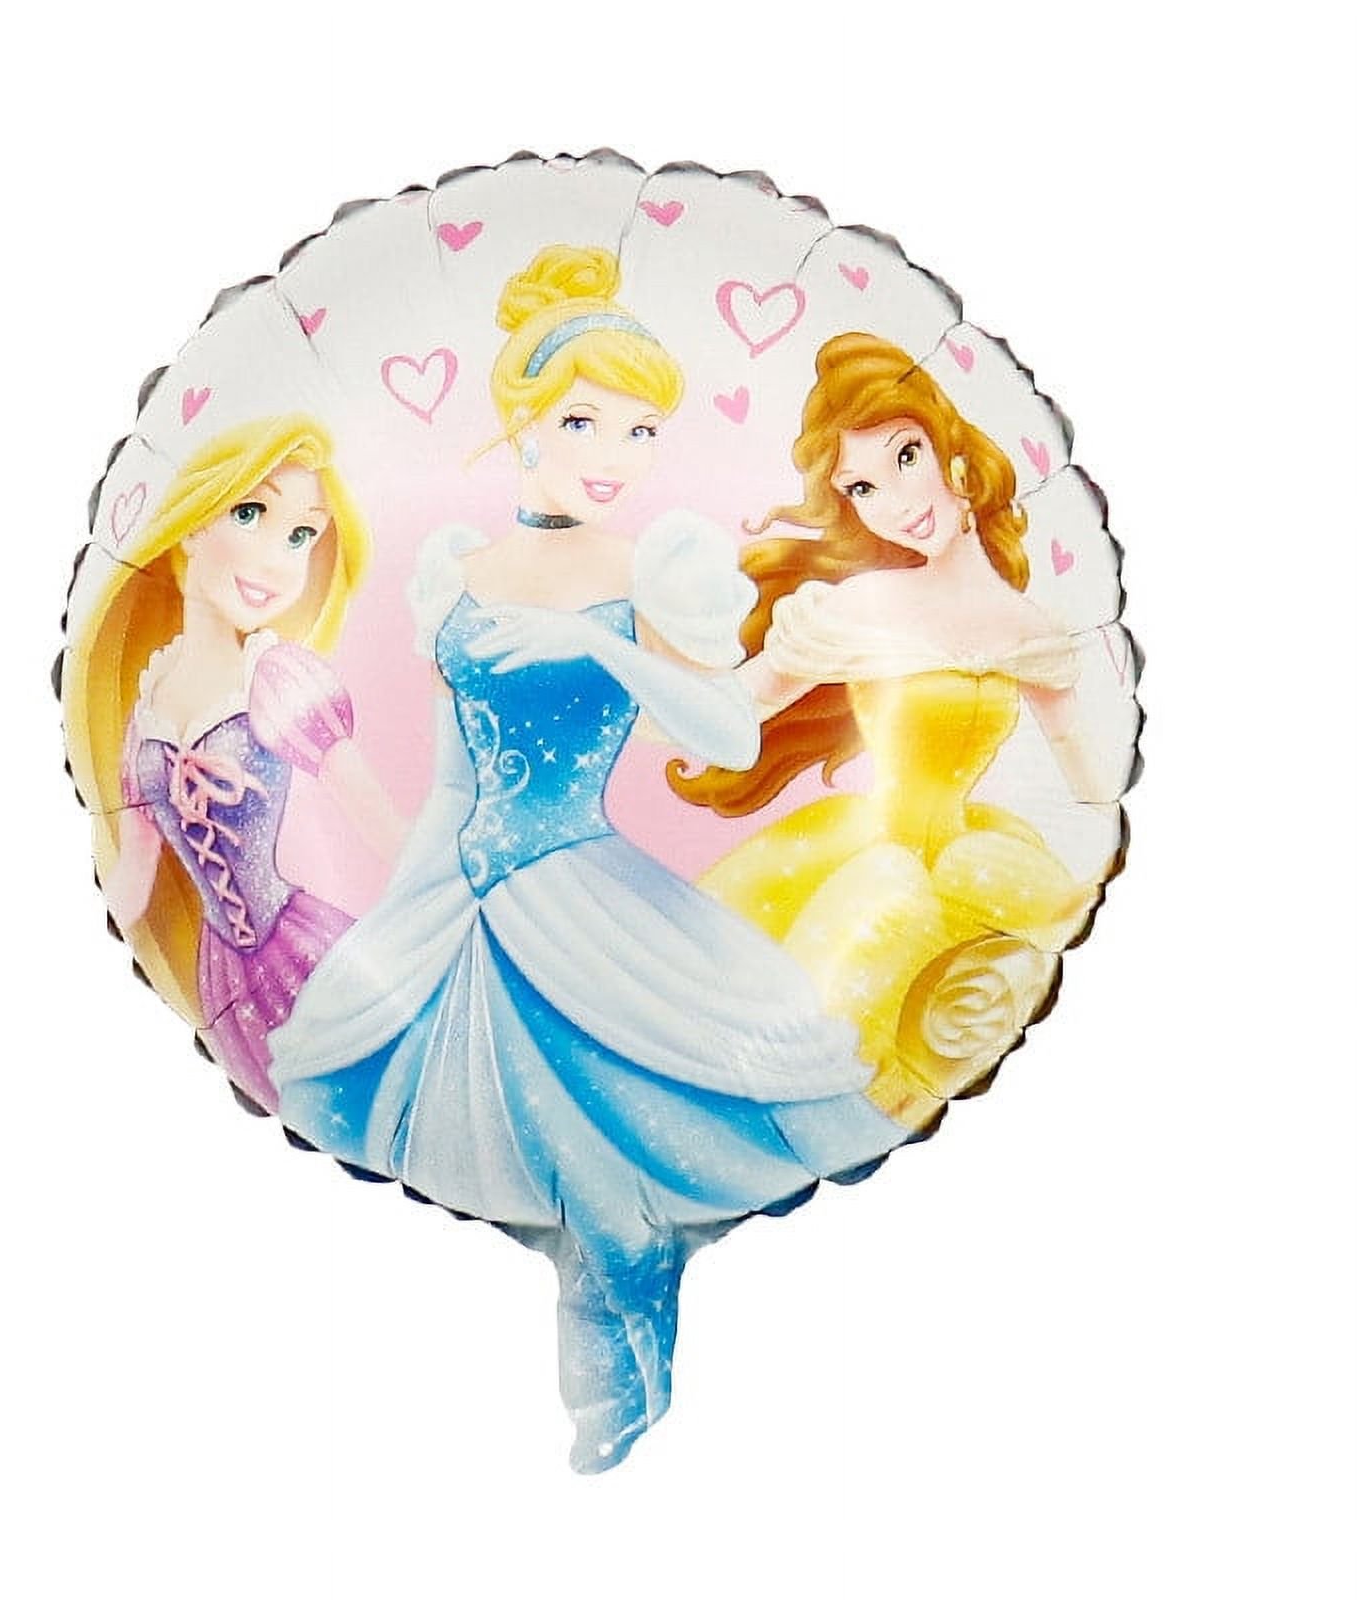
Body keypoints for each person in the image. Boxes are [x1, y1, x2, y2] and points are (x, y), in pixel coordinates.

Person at [268, 248, 907, 1472]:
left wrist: (605, 649)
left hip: (582, 888)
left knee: (620, 1156)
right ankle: (609, 1358)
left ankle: (629, 1355)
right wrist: (409, 907)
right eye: (582, 421)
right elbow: (454, 776)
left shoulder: (645, 567)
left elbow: (724, 732)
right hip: (462, 897)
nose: (614, 453)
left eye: (640, 430)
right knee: (513, 1153)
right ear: (522, 420)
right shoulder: (455, 568)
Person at [673, 333, 1106, 1131]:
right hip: (871, 857)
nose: (897, 502)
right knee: (833, 1001)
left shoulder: (1032, 629)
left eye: (906, 456)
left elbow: (1090, 779)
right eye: (863, 487)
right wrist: (637, 677)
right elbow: (734, 709)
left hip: (980, 861)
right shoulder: (863, 606)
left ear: (952, 451)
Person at [64, 415, 401, 1112]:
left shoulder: (277, 679)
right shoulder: (146, 704)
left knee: (360, 1098)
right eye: (251, 514)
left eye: (301, 536)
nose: (277, 561)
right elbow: (133, 874)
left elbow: (383, 829)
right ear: (191, 525)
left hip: (307, 952)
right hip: (222, 981)